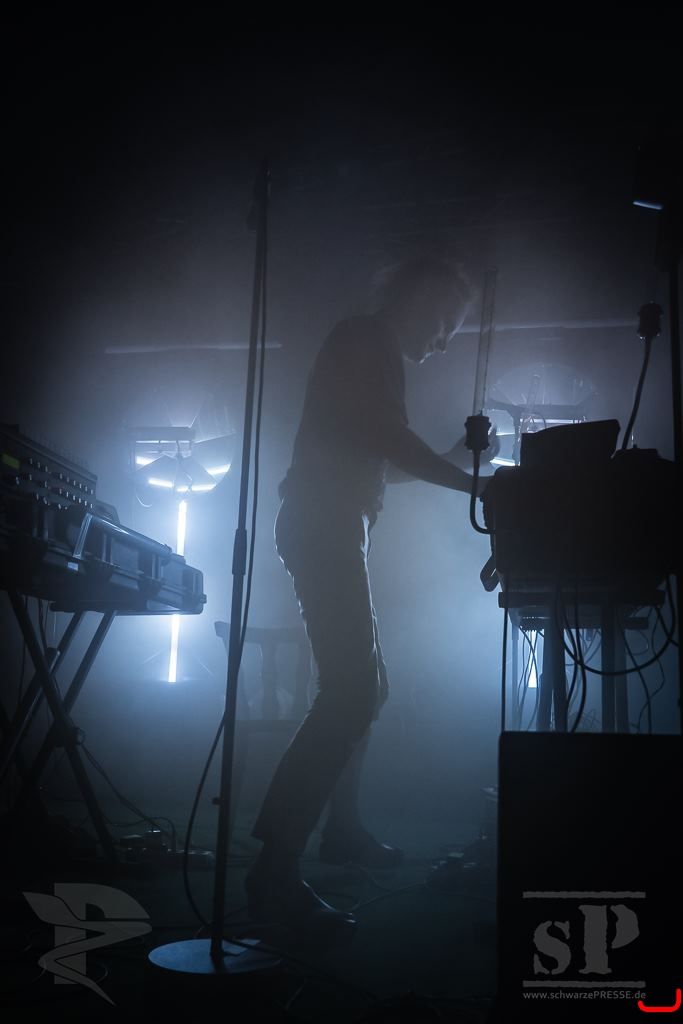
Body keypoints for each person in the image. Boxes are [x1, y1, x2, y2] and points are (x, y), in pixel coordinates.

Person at [245, 256, 494, 935]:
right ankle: (274, 871)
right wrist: (471, 483)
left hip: (332, 526)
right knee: (354, 689)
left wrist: (455, 459)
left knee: (365, 688)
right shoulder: (365, 341)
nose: (444, 341)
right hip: (325, 525)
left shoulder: (370, 348)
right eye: (446, 323)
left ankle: (342, 831)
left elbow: (380, 455)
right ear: (420, 297)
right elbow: (387, 440)